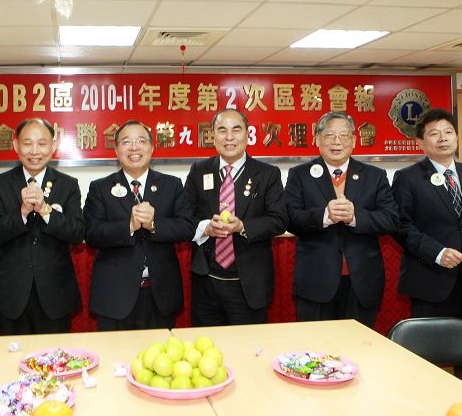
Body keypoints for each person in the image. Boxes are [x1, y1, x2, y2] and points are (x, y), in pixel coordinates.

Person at [392, 107, 462, 393]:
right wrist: (438, 253)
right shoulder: (408, 178)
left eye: (448, 132)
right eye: (434, 134)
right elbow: (401, 226)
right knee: (427, 363)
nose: (443, 139)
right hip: (430, 282)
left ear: (456, 137)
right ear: (421, 142)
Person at [285, 111, 399, 328]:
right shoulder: (299, 174)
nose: (336, 142)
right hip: (315, 282)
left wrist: (355, 217)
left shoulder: (375, 176)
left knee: (359, 345)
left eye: (343, 136)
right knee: (316, 346)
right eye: (329, 135)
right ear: (317, 139)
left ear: (353, 141)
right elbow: (290, 219)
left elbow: (391, 219)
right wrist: (325, 216)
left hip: (361, 283)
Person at [84, 120, 195, 330]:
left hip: (160, 296)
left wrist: (154, 224)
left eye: (141, 141)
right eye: (126, 142)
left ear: (152, 148)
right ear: (116, 150)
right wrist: (129, 226)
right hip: (114, 297)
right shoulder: (100, 188)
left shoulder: (172, 185)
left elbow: (187, 227)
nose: (134, 148)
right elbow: (92, 233)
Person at [184, 108, 288, 326]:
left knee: (248, 345)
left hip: (249, 284)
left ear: (247, 134)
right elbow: (184, 217)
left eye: (236, 130)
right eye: (222, 130)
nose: (229, 137)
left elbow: (279, 220)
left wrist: (242, 226)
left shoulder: (267, 174)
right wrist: (205, 228)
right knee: (206, 345)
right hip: (207, 283)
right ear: (213, 136)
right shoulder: (199, 170)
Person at [0, 118, 83, 335]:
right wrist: (22, 212)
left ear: (53, 146)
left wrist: (46, 210)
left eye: (42, 143)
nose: (35, 151)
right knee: (14, 355)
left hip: (55, 293)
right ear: (16, 145)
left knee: (55, 355)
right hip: (12, 294)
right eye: (27, 143)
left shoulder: (68, 184)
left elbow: (77, 233)